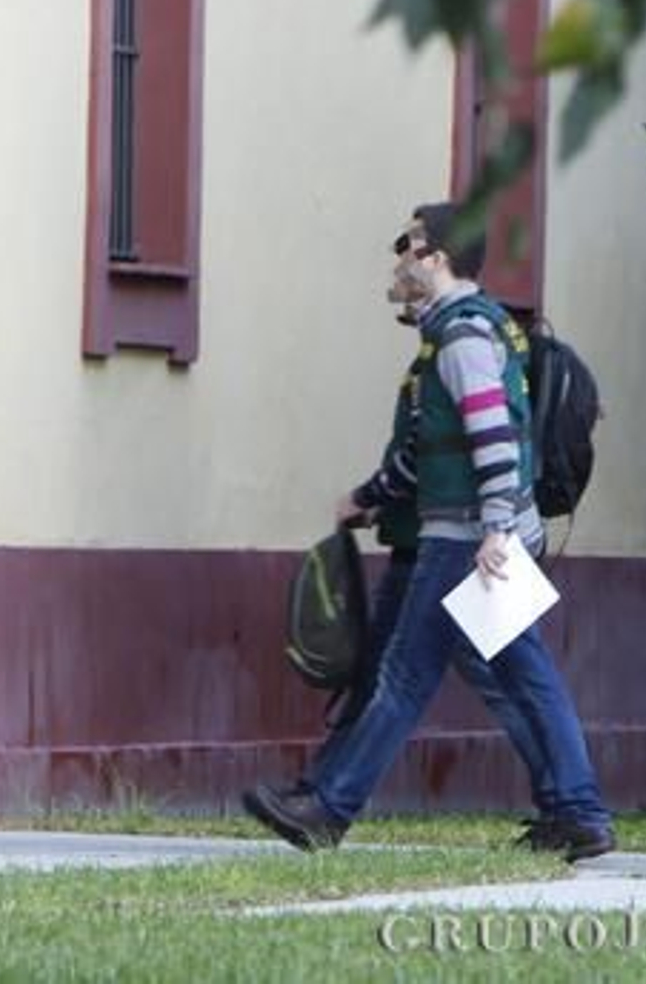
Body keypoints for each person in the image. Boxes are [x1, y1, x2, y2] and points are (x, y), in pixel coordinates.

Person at [244, 202, 615, 862]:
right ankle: (577, 810)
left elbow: (491, 432)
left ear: (437, 257)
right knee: (522, 672)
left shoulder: (465, 336)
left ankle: (329, 807)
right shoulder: (458, 332)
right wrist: (372, 497)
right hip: (476, 531)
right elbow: (428, 445)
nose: (399, 258)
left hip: (468, 537)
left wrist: (497, 528)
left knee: (404, 676)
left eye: (408, 246)